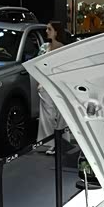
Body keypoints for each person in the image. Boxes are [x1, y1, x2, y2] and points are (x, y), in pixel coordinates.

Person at [36, 21, 70, 151]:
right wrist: (39, 82)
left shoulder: (66, 50)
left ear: (56, 32)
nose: (46, 31)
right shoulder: (44, 47)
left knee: (62, 115)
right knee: (47, 115)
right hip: (46, 85)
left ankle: (62, 144)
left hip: (61, 85)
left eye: (49, 29)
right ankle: (48, 143)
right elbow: (37, 65)